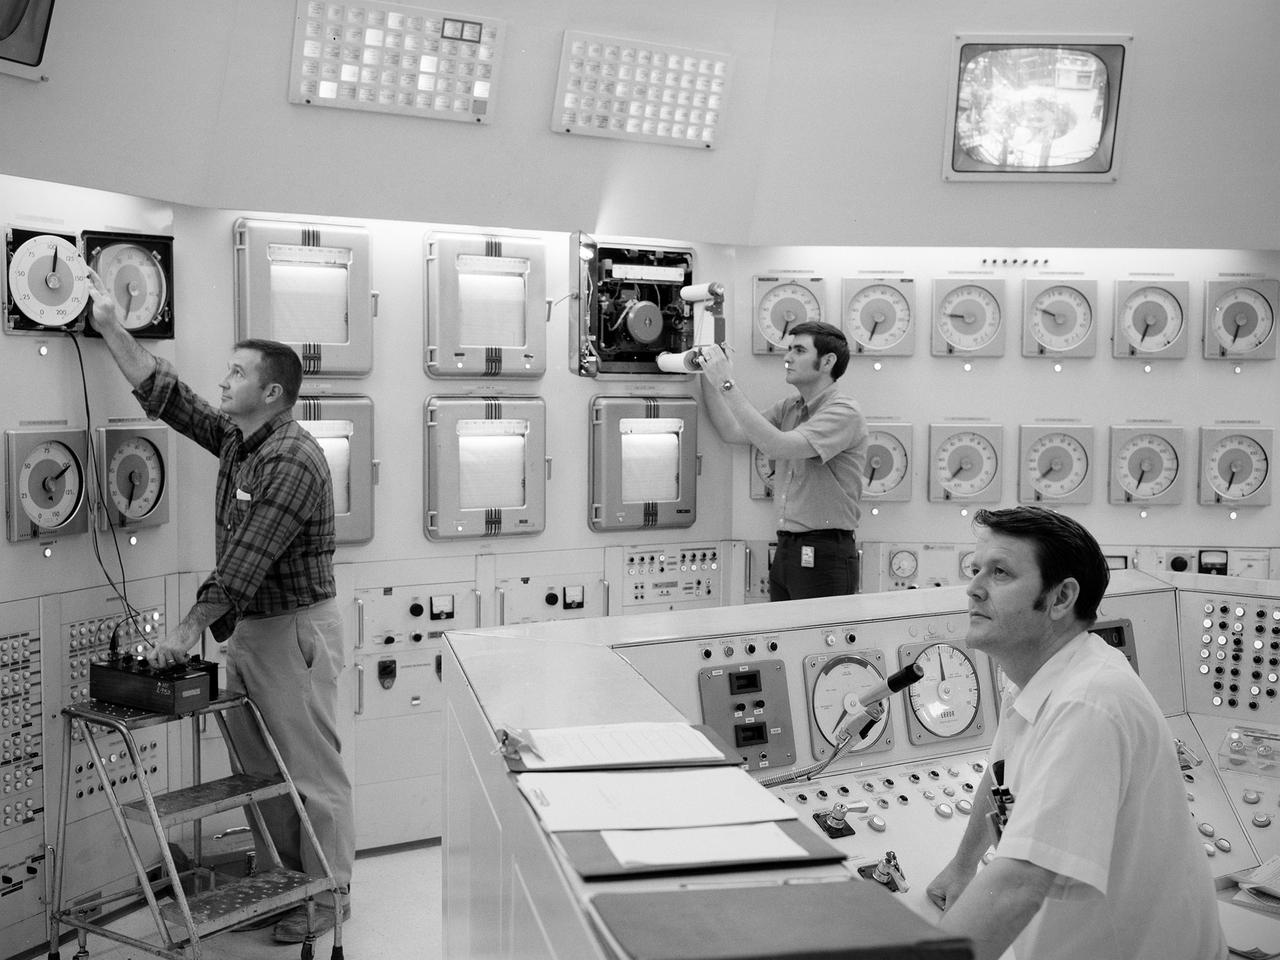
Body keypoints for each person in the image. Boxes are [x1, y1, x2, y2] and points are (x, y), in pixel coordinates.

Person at [86, 271, 355, 944]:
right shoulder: (244, 440)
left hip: (291, 635)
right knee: (264, 776)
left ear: (271, 392)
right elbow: (171, 399)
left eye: (236, 373)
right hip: (252, 632)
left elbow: (246, 563)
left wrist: (185, 629)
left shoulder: (293, 458)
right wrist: (111, 325)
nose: (224, 381)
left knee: (309, 775)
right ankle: (285, 884)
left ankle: (327, 897)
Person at [926, 506, 1226, 960]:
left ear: (1061, 598)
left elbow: (1019, 884)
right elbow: (1001, 773)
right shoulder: (1040, 675)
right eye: (975, 570)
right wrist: (962, 866)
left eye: (1000, 573)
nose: (973, 588)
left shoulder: (1090, 703)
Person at [697, 321, 867, 601]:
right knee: (786, 642)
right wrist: (708, 374)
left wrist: (726, 383)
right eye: (789, 349)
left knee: (815, 644)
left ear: (827, 361)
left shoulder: (843, 412)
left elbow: (776, 446)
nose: (787, 358)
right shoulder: (791, 406)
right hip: (788, 548)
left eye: (799, 350)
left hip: (825, 553)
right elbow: (733, 431)